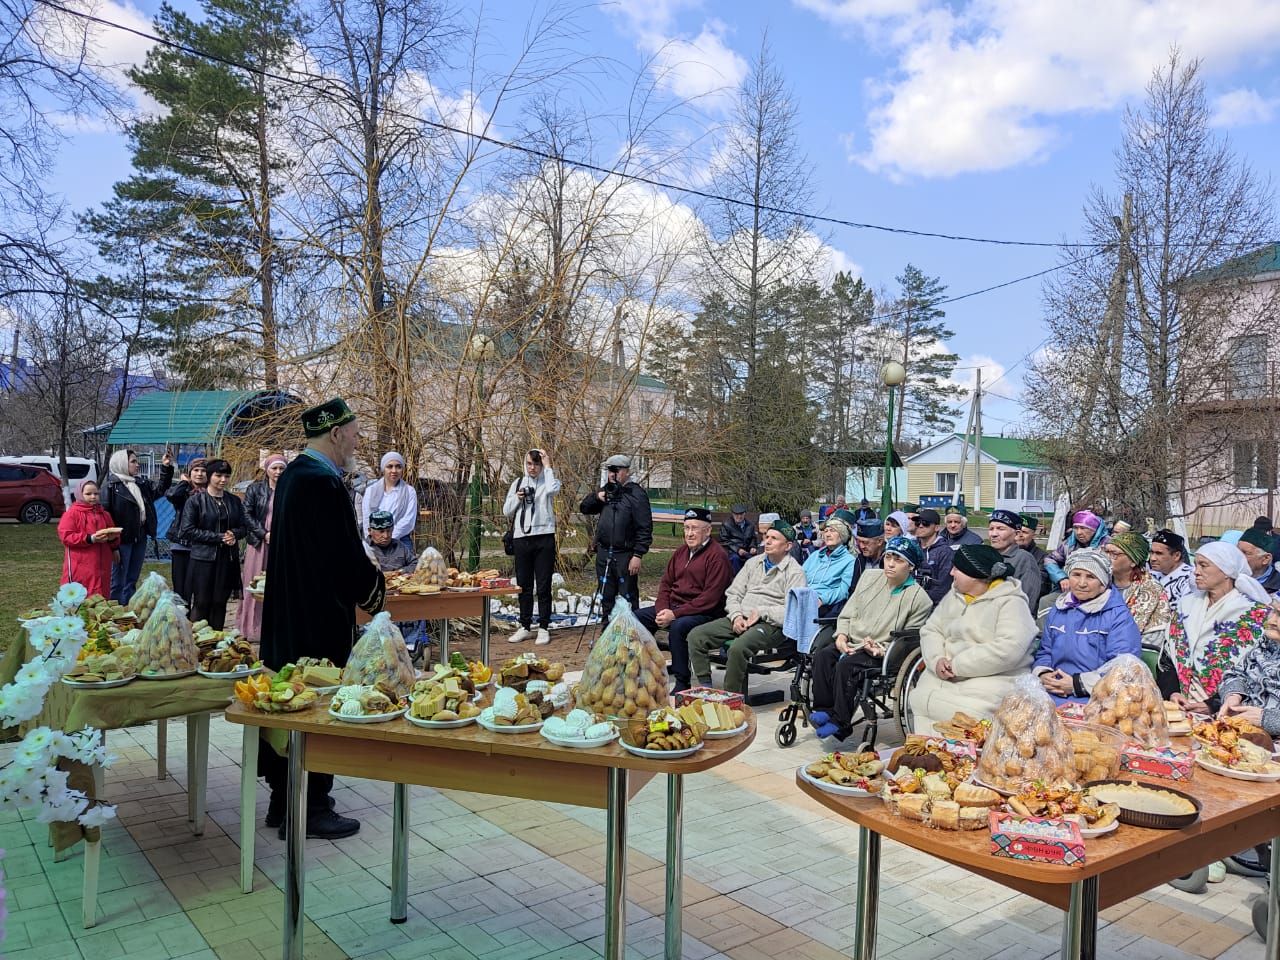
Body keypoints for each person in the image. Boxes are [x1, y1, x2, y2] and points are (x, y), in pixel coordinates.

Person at [260, 397, 385, 840]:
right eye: (352, 433)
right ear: (335, 434)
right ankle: (309, 806)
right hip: (317, 615)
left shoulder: (294, 474)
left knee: (285, 696)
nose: (356, 441)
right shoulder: (323, 482)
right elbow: (344, 554)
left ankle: (282, 798)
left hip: (289, 609)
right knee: (314, 700)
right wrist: (375, 589)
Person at [809, 536, 933, 741]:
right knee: (822, 656)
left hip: (883, 650)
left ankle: (841, 722)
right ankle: (825, 709)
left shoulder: (920, 600)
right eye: (889, 557)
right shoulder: (869, 577)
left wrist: (880, 649)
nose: (890, 564)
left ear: (910, 566)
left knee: (846, 666)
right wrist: (841, 635)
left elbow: (909, 640)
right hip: (852, 639)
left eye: (898, 560)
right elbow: (849, 611)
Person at [909, 544, 1039, 735]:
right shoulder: (955, 595)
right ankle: (925, 753)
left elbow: (1009, 648)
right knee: (921, 700)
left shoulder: (1011, 602)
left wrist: (957, 665)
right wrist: (937, 660)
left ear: (976, 575)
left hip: (989, 680)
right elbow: (931, 629)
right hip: (943, 677)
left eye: (957, 569)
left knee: (964, 710)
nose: (951, 573)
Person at [689, 523, 807, 694]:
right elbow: (733, 593)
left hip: (771, 624)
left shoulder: (795, 572)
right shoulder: (753, 563)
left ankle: (731, 697)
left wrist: (762, 612)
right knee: (696, 635)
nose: (767, 542)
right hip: (742, 617)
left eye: (774, 538)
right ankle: (705, 686)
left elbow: (792, 612)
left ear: (788, 546)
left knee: (738, 648)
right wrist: (736, 616)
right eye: (766, 537)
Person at [1159, 541, 1270, 713]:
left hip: (1227, 711)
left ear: (1227, 571)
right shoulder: (1187, 605)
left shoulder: (1252, 614)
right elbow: (1168, 657)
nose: (1196, 572)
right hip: (1179, 708)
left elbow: (1257, 672)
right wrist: (1172, 692)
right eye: (1195, 565)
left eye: (1204, 565)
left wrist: (1213, 704)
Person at [635, 508, 733, 692]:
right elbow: (665, 584)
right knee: (637, 618)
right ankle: (648, 670)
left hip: (705, 612)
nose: (689, 533)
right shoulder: (680, 553)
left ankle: (682, 682)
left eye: (694, 528)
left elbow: (710, 598)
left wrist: (674, 614)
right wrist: (662, 609)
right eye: (686, 528)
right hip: (674, 606)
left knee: (679, 627)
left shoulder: (717, 556)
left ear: (707, 531)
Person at [1032, 549, 1142, 704]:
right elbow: (1045, 651)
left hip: (1097, 696)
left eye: (1091, 577)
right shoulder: (1059, 608)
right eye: (1076, 575)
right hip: (1054, 689)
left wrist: (1076, 685)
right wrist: (1044, 674)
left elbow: (1123, 667)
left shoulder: (1118, 615)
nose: (1081, 583)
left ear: (1103, 583)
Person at [580, 454, 652, 620]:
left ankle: (632, 636)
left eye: (615, 470)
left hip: (625, 554)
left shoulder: (636, 494)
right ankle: (606, 634)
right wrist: (597, 498)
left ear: (626, 471)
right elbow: (584, 507)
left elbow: (645, 527)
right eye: (609, 470)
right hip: (604, 552)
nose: (612, 474)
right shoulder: (606, 491)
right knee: (606, 597)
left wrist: (638, 554)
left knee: (628, 598)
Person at [178, 459, 247, 631]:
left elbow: (244, 526)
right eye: (218, 475)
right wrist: (218, 537)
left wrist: (235, 534)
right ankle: (196, 643)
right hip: (203, 559)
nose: (223, 480)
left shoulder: (234, 501)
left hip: (227, 559)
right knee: (202, 602)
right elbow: (187, 530)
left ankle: (216, 642)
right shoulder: (195, 501)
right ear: (209, 476)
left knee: (219, 603)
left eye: (226, 476)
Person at [503, 448, 561, 645]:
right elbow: (506, 511)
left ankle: (544, 626)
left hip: (544, 537)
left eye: (536, 464)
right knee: (524, 584)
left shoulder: (548, 480)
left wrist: (548, 466)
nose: (532, 468)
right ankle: (525, 625)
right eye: (529, 464)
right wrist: (517, 498)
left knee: (544, 585)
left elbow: (553, 490)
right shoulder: (518, 483)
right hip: (522, 537)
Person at [102, 449, 173, 604]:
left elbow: (160, 489)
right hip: (121, 540)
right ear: (121, 463)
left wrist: (166, 468)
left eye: (136, 461)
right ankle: (114, 612)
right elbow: (106, 518)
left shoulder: (140, 484)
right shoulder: (111, 487)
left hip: (140, 536)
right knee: (118, 580)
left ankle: (128, 610)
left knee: (132, 578)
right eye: (133, 461)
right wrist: (113, 545)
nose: (137, 465)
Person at [237, 454, 286, 641]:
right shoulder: (256, 489)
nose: (278, 472)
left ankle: (276, 627)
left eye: (281, 468)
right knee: (255, 583)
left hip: (281, 542)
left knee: (278, 584)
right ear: (267, 470)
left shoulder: (289, 490)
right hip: (259, 542)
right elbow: (246, 514)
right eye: (274, 468)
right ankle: (252, 627)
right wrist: (263, 533)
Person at [1218, 596, 1280, 739]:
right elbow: (1236, 674)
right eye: (1274, 612)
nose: (1271, 621)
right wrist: (1233, 696)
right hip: (1241, 733)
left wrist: (1265, 719)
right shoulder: (1267, 643)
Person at [1104, 533, 1173, 651]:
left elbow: (1137, 635)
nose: (1106, 558)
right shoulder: (1101, 582)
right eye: (1106, 552)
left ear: (1133, 561)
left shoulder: (1150, 589)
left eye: (1114, 554)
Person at [57, 479, 119, 597]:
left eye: (96, 494)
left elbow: (112, 533)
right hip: (81, 562)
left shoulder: (104, 514)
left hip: (102, 562)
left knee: (101, 593)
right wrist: (90, 538)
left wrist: (114, 544)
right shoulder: (72, 514)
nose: (93, 497)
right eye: (88, 494)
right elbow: (66, 536)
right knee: (82, 594)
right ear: (80, 494)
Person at [164, 457, 207, 604]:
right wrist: (184, 482)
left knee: (200, 589)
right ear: (190, 473)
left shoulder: (211, 492)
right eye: (196, 470)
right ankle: (182, 620)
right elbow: (171, 495)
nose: (199, 474)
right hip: (182, 546)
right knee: (181, 590)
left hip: (202, 547)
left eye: (203, 471)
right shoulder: (183, 491)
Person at [986, 509, 1043, 614]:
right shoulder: (984, 556)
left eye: (1000, 529)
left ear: (1016, 534)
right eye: (991, 529)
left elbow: (1026, 602)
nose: (993, 534)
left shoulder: (1024, 559)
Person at [360, 451, 418, 552]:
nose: (394, 470)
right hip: (375, 540)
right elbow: (367, 519)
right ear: (383, 469)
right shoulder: (371, 490)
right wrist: (374, 539)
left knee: (405, 567)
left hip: (401, 540)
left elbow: (408, 521)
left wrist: (388, 537)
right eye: (389, 466)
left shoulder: (409, 491)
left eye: (398, 466)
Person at [1044, 510, 1110, 592]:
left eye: (1083, 528)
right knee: (1046, 601)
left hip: (1100, 590)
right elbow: (1050, 559)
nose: (1078, 532)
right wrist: (1061, 577)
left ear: (1094, 530)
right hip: (1072, 588)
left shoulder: (1108, 545)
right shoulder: (1069, 544)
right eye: (1075, 528)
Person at [909, 508, 953, 607]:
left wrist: (917, 600)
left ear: (937, 527)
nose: (920, 525)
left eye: (925, 523)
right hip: (908, 602)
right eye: (917, 523)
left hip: (932, 608)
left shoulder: (945, 552)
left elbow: (943, 588)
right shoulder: (911, 547)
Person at [1149, 528, 1195, 604]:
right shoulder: (1150, 576)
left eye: (1159, 553)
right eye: (1151, 553)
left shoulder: (1190, 579)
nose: (1152, 558)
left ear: (1176, 556)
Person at [1015, 514, 1054, 598]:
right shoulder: (1005, 552)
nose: (1020, 535)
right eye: (1017, 531)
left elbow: (1038, 586)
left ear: (1033, 536)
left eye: (1025, 532)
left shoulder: (1043, 558)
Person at [1237, 527, 1280, 595]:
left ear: (1266, 559)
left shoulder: (1277, 588)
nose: (1237, 556)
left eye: (1245, 553)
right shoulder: (1228, 579)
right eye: (1236, 551)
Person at [719, 504, 758, 574]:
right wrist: (738, 549)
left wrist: (753, 547)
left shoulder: (750, 525)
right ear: (732, 514)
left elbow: (753, 538)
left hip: (747, 551)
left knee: (754, 559)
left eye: (741, 514)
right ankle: (736, 580)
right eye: (736, 514)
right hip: (732, 551)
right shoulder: (726, 524)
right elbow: (724, 541)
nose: (739, 516)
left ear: (744, 514)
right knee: (735, 558)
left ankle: (751, 580)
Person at [850, 518, 887, 592]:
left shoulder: (890, 561)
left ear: (879, 541)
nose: (861, 546)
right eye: (859, 541)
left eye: (865, 542)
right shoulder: (860, 559)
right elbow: (853, 590)